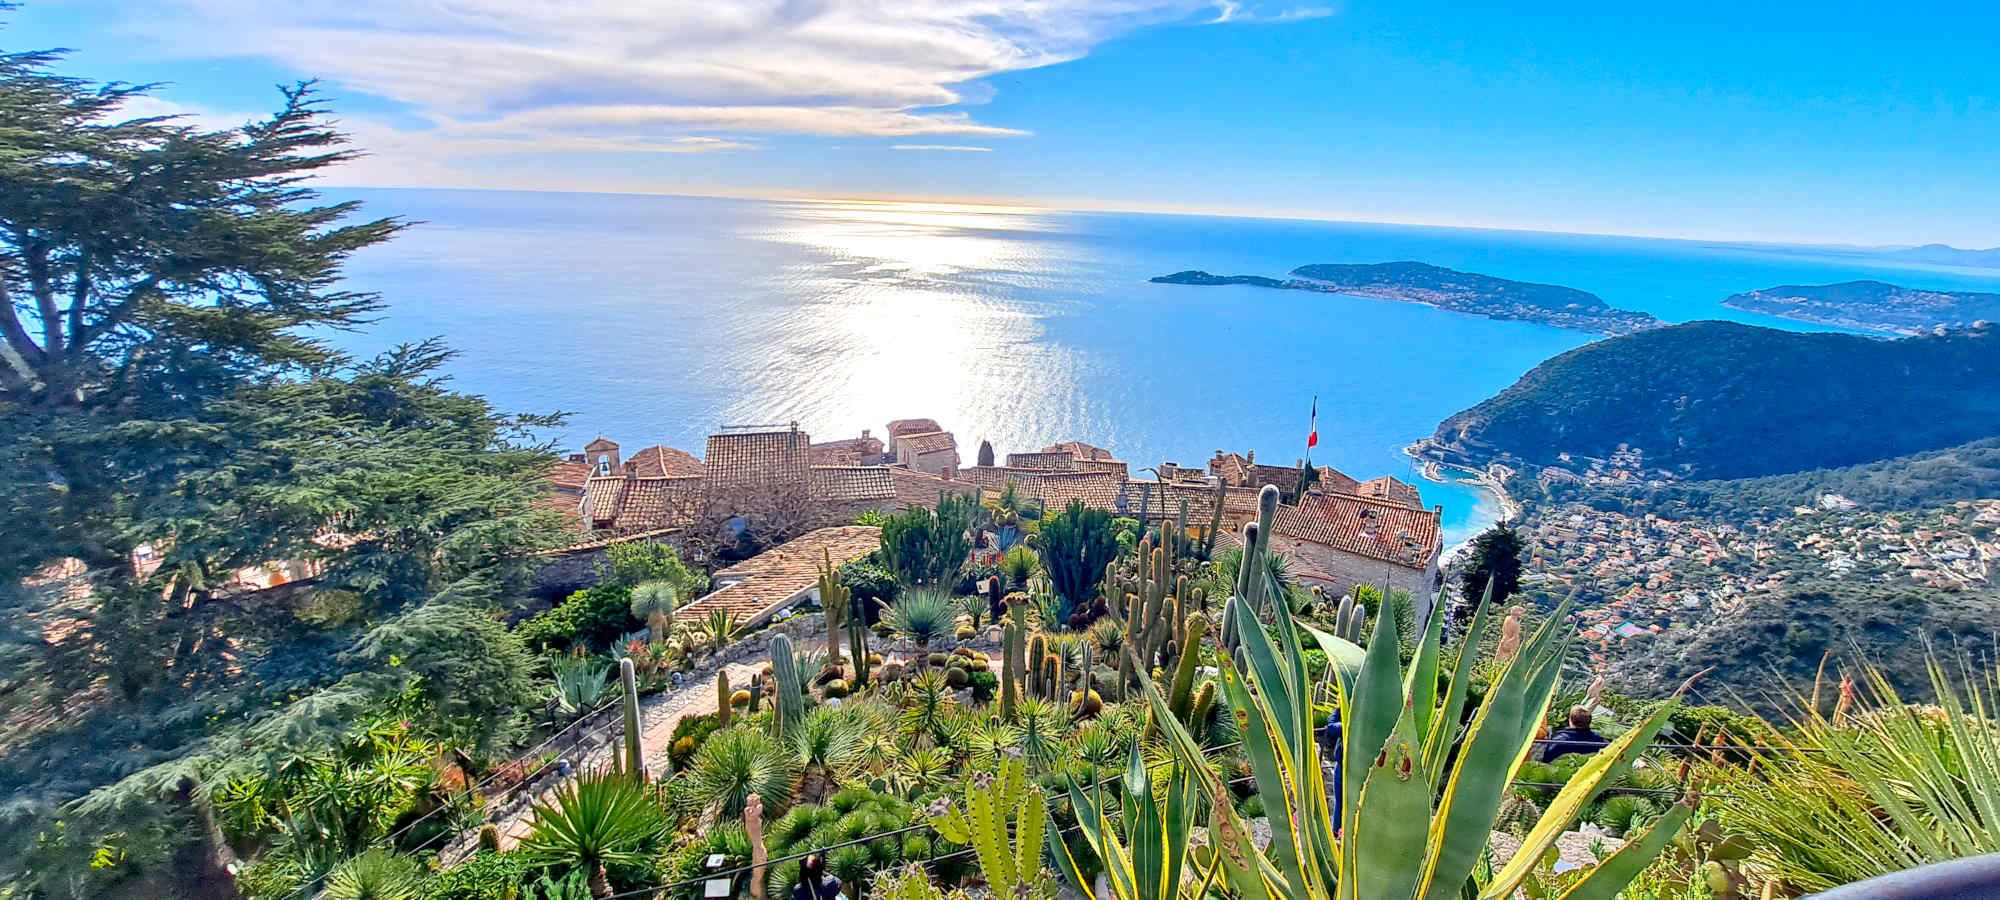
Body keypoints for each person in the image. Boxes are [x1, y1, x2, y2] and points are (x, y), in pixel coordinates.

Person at [1540, 706, 1609, 762]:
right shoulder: (1599, 740)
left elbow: (1546, 761)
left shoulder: (1558, 741)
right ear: (1589, 722)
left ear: (1570, 721)